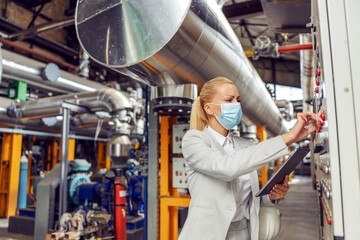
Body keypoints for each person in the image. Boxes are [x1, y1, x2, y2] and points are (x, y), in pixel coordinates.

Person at [178, 77, 322, 240]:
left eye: (238, 100)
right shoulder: (194, 140)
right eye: (229, 100)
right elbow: (227, 168)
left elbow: (248, 199)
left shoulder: (246, 145)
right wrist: (288, 137)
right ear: (209, 109)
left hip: (244, 232)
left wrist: (271, 196)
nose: (236, 105)